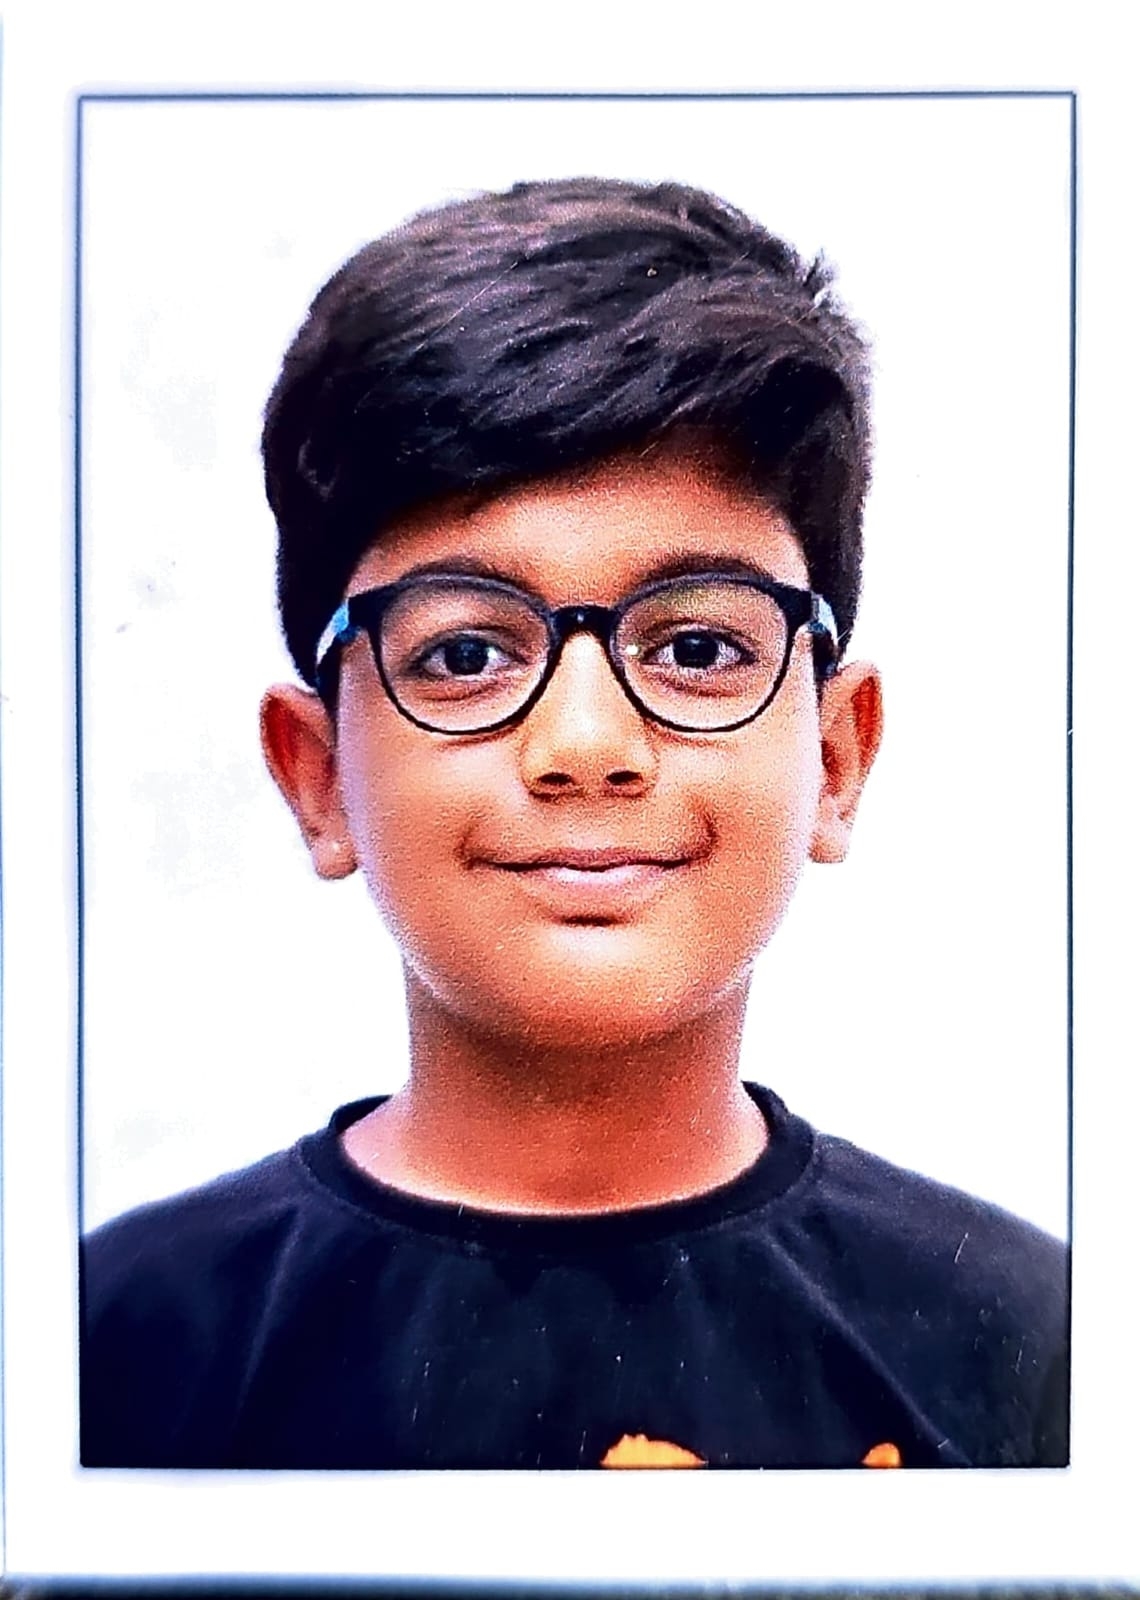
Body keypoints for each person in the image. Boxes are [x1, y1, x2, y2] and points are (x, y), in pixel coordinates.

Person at [80, 177, 1068, 1470]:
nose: (587, 747)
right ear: (317, 777)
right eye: (465, 653)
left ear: (835, 756)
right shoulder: (106, 1349)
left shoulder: (1039, 1348)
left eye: (698, 646)